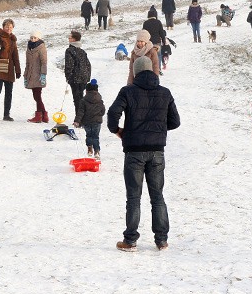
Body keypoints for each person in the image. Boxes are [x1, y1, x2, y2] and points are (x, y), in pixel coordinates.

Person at [107, 56, 180, 252]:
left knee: (133, 197)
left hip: (134, 151)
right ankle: (162, 240)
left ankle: (130, 241)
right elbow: (175, 121)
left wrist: (118, 131)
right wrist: (158, 130)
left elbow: (112, 114)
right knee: (157, 197)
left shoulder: (127, 91)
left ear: (136, 72)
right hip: (157, 152)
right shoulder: (165, 93)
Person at [74, 79, 105, 160]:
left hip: (87, 122)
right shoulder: (100, 100)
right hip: (97, 122)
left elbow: (80, 112)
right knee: (95, 136)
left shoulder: (83, 101)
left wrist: (77, 121)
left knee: (89, 135)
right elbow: (103, 111)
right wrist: (98, 115)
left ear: (87, 91)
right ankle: (97, 151)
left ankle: (90, 149)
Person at [64, 30, 91, 120]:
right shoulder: (82, 51)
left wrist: (68, 76)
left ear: (74, 39)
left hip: (75, 78)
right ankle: (83, 117)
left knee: (77, 99)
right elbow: (88, 65)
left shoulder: (69, 50)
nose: (69, 38)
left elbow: (69, 65)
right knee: (81, 97)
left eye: (70, 37)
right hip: (84, 78)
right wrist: (87, 77)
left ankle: (79, 119)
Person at [24, 30, 48, 123]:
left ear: (39, 38)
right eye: (31, 38)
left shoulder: (41, 47)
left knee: (37, 95)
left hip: (38, 74)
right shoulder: (28, 47)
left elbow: (44, 62)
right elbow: (27, 63)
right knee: (36, 96)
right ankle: (44, 115)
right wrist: (25, 76)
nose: (33, 40)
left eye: (35, 38)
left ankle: (39, 116)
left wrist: (43, 75)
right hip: (30, 74)